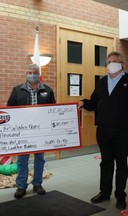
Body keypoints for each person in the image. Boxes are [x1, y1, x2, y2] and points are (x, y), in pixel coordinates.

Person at [78, 51, 128, 210]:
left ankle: (120, 196)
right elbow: (93, 102)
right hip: (103, 130)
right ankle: (104, 193)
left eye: (114, 61)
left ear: (121, 64)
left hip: (123, 131)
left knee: (121, 164)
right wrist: (83, 103)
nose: (110, 64)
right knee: (106, 163)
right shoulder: (102, 82)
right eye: (108, 62)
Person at [7, 63, 56, 199]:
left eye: (35, 72)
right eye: (29, 72)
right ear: (25, 73)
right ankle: (21, 186)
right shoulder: (17, 90)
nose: (32, 75)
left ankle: (37, 184)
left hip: (41, 132)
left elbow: (53, 110)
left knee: (39, 159)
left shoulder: (47, 90)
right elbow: (10, 109)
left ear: (38, 74)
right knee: (22, 160)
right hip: (24, 132)